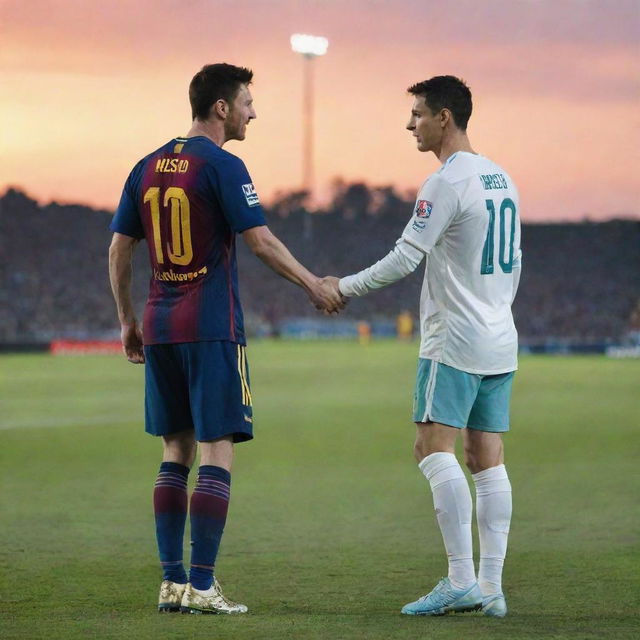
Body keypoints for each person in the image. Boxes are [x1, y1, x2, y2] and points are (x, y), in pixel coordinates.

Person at [108, 63, 345, 616]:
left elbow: (120, 249)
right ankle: (204, 585)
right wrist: (313, 283)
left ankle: (172, 583)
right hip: (211, 326)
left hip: (160, 327)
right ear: (221, 107)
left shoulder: (144, 166)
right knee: (217, 449)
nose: (252, 112)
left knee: (175, 449)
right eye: (247, 102)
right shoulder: (222, 164)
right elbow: (259, 241)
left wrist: (126, 320)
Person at [322, 75, 521, 617]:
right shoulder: (501, 178)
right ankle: (492, 587)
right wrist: (494, 312)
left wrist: (342, 287)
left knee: (433, 449)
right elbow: (515, 264)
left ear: (445, 118)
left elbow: (406, 257)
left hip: (454, 339)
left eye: (417, 114)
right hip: (499, 337)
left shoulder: (446, 181)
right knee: (487, 458)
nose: (409, 123)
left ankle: (461, 579)